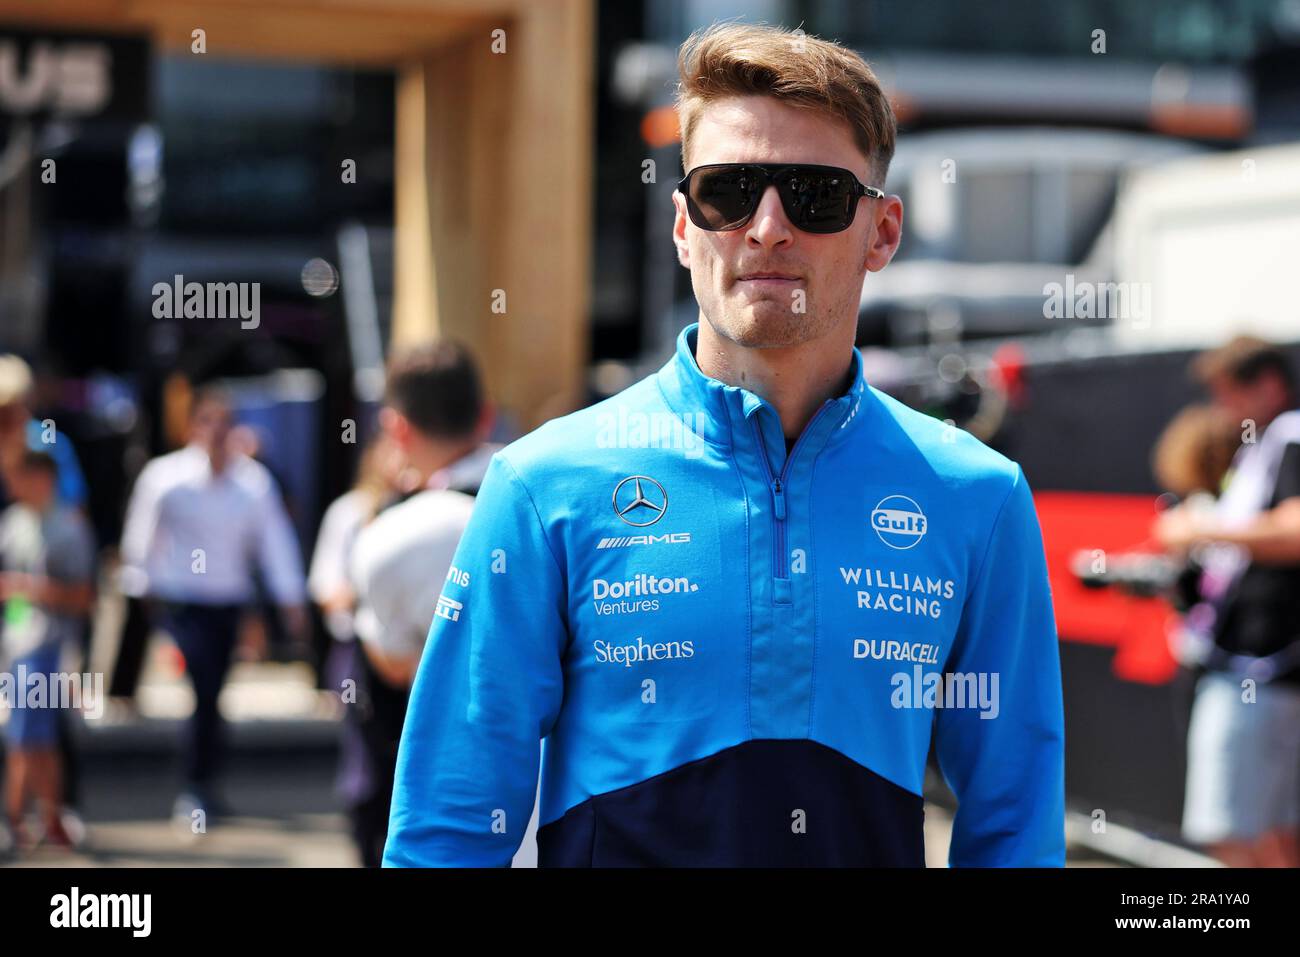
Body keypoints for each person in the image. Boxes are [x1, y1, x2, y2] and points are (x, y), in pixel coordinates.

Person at [384, 23, 1064, 868]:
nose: (768, 227)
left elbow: (1017, 819)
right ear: (682, 228)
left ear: (882, 232)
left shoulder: (978, 496)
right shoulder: (541, 483)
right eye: (728, 191)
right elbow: (448, 818)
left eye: (814, 195)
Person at [118, 385, 308, 828]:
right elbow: (141, 537)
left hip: (227, 602)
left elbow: (274, 543)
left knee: (212, 695)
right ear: (193, 428)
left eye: (224, 425)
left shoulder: (253, 483)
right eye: (208, 423)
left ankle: (204, 782)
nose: (217, 434)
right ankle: (195, 786)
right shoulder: (164, 478)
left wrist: (291, 599)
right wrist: (140, 585)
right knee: (202, 688)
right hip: (181, 601)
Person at [345, 342, 499, 866]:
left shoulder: (391, 537)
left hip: (447, 796)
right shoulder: (565, 500)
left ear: (396, 428)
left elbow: (392, 666)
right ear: (486, 416)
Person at [1155, 336, 1300, 867]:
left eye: (1229, 394)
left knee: (1233, 833)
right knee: (1274, 835)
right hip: (1258, 671)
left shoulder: (1290, 434)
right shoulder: (1264, 446)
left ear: (1268, 385)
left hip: (1260, 672)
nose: (1223, 410)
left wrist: (1201, 528)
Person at [0, 447, 95, 852]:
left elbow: (83, 597)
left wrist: (29, 588)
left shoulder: (69, 527)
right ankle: (47, 818)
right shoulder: (11, 524)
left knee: (30, 739)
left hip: (50, 648)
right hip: (16, 644)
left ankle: (18, 820)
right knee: (30, 738)